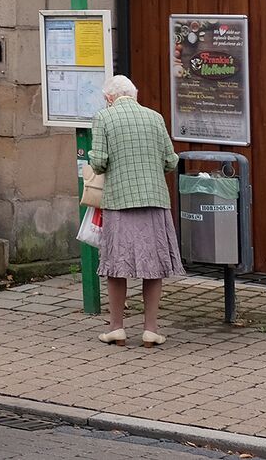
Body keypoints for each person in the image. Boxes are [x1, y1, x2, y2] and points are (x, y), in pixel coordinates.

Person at [89, 74, 184, 347]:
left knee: (116, 266)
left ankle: (116, 328)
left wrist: (96, 163)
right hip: (154, 199)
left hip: (119, 201)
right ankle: (151, 330)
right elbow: (171, 161)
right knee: (152, 267)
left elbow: (99, 161)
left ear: (109, 98)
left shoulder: (104, 117)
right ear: (134, 95)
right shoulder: (155, 117)